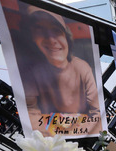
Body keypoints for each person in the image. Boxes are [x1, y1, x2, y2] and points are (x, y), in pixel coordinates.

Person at [23, 6, 102, 136]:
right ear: (32, 38)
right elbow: (29, 110)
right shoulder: (32, 72)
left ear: (67, 38)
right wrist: (55, 130)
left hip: (81, 137)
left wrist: (74, 130)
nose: (51, 39)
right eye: (40, 30)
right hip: (48, 142)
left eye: (56, 30)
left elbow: (97, 110)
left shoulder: (82, 67)